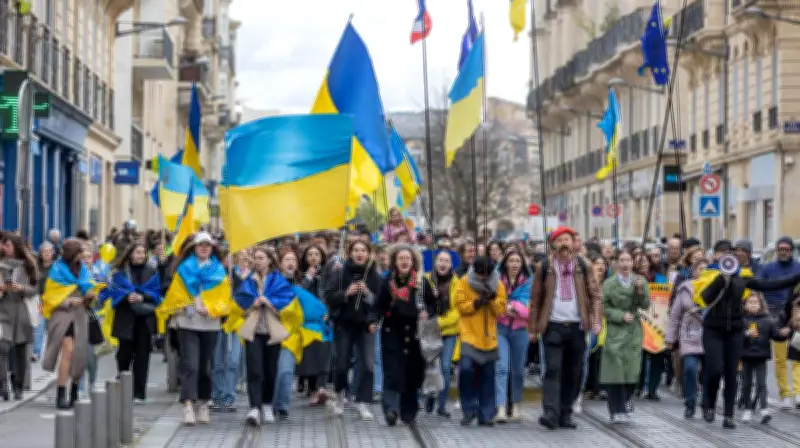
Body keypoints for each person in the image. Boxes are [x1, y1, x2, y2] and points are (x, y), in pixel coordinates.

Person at [529, 226, 603, 430]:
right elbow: (535, 300)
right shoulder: (544, 267)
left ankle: (566, 413)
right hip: (552, 326)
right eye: (560, 240)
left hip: (577, 328)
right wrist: (532, 328)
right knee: (552, 370)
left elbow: (595, 295)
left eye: (567, 240)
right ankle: (551, 413)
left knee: (573, 373)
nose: (564, 243)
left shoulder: (583, 265)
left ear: (573, 243)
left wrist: (596, 320)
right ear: (553, 244)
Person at [325, 240, 382, 419]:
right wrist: (346, 293)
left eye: (363, 250)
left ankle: (362, 401)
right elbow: (329, 297)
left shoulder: (374, 275)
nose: (359, 253)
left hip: (366, 325)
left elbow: (380, 302)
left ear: (369, 253)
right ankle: (341, 395)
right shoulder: (340, 273)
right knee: (341, 363)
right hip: (344, 324)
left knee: (367, 364)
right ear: (350, 253)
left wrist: (367, 294)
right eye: (356, 250)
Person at [369, 244, 425, 426]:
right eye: (401, 258)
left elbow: (433, 304)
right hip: (393, 334)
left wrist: (429, 313)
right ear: (395, 261)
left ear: (412, 261)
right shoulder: (388, 283)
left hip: (415, 336)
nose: (404, 262)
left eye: (407, 259)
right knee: (393, 373)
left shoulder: (421, 283)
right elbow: (378, 306)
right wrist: (372, 320)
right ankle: (391, 409)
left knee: (412, 374)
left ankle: (409, 410)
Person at [41, 238, 97, 409]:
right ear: (73, 253)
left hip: (80, 317)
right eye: (80, 252)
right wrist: (68, 301)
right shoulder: (56, 270)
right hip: (62, 318)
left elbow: (90, 289)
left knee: (79, 354)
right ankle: (60, 393)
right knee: (68, 352)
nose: (82, 256)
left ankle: (74, 390)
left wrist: (90, 296)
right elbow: (49, 298)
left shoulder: (84, 270)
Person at [455, 255, 507, 426]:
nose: (482, 277)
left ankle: (486, 414)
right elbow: (460, 306)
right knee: (466, 370)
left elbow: (500, 310)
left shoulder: (497, 284)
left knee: (488, 376)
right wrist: (476, 303)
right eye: (479, 274)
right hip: (468, 334)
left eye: (486, 274)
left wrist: (491, 300)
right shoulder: (463, 281)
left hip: (488, 337)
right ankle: (469, 409)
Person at [106, 242, 161, 403]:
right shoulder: (120, 272)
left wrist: (142, 297)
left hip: (144, 319)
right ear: (130, 254)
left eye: (143, 253)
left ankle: (139, 392)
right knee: (124, 354)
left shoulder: (151, 272)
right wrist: (126, 297)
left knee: (142, 356)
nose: (140, 255)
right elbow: (113, 291)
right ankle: (124, 384)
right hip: (126, 318)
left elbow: (157, 293)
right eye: (137, 252)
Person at [600, 250, 650, 423]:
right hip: (616, 331)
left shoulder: (640, 280)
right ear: (617, 263)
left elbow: (646, 304)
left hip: (634, 331)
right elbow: (603, 307)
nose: (625, 263)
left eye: (628, 259)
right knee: (616, 372)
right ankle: (616, 409)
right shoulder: (608, 284)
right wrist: (619, 315)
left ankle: (627, 398)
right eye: (622, 260)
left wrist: (639, 290)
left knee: (632, 370)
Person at [665, 257, 709, 419]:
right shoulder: (685, 289)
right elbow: (675, 316)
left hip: (710, 337)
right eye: (700, 269)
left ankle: (706, 403)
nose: (703, 272)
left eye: (706, 269)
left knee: (708, 373)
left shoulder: (716, 287)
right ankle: (690, 401)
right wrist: (670, 337)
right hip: (689, 336)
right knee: (690, 369)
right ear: (694, 271)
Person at [760, 236, 800, 409]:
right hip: (775, 315)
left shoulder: (798, 268)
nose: (783, 252)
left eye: (787, 249)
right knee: (781, 357)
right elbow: (758, 289)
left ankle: (798, 392)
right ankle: (785, 393)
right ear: (776, 251)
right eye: (780, 249)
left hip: (796, 315)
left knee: (798, 356)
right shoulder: (767, 269)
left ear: (792, 251)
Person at [0, 233, 39, 401]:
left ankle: (18, 385)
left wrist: (20, 288)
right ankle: (3, 386)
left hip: (22, 312)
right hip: (3, 311)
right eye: (3, 245)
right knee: (3, 348)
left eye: (7, 245)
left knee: (21, 351)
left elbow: (35, 289)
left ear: (15, 246)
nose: (4, 248)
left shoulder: (28, 265)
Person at [494, 249, 531, 422]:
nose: (515, 264)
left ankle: (515, 405)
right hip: (500, 328)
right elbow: (493, 302)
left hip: (520, 331)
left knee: (517, 370)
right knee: (501, 368)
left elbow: (527, 310)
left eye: (518, 261)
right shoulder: (497, 279)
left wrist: (510, 306)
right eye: (511, 261)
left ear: (522, 263)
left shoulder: (528, 282)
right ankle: (500, 407)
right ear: (505, 263)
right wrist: (504, 307)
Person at [739, 293, 788, 423]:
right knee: (747, 384)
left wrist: (783, 334)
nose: (753, 305)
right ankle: (747, 409)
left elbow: (776, 335)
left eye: (756, 302)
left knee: (761, 384)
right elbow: (736, 338)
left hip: (761, 356)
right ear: (745, 305)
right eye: (750, 302)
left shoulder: (768, 320)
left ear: (761, 305)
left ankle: (764, 409)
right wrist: (746, 334)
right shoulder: (742, 320)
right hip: (746, 356)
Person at [422, 250, 459, 417]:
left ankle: (442, 405)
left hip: (449, 330)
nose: (443, 264)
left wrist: (440, 322)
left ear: (451, 264)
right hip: (429, 331)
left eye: (447, 261)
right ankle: (431, 394)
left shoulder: (456, 282)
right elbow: (421, 303)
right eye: (440, 260)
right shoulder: (426, 280)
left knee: (445, 367)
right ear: (435, 263)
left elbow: (457, 311)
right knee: (430, 366)